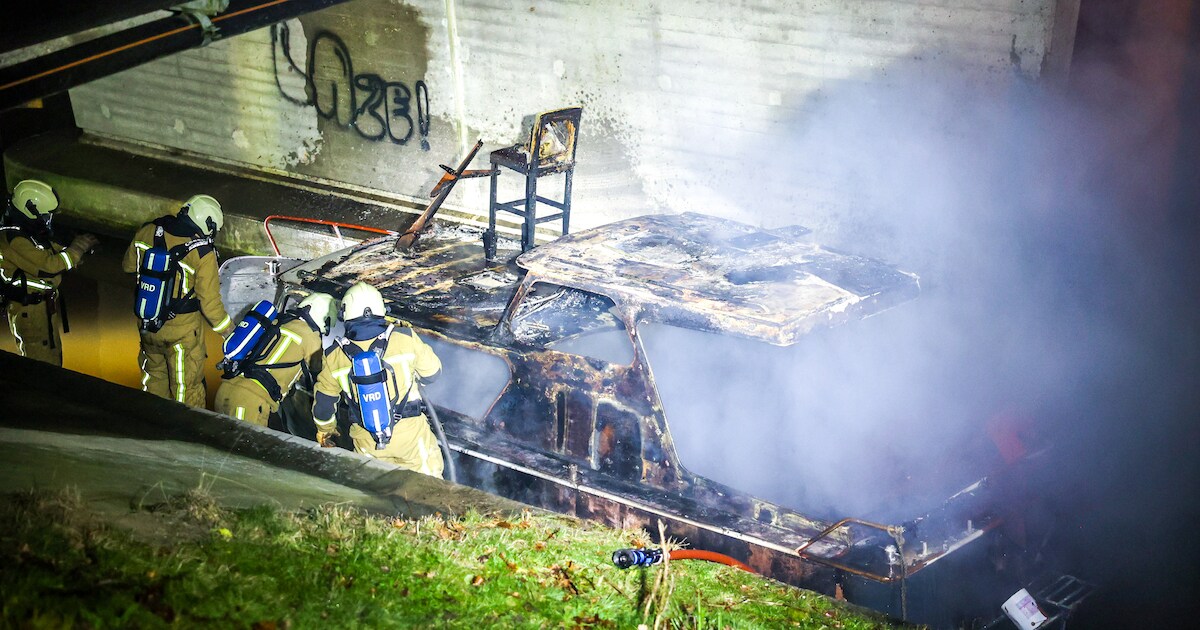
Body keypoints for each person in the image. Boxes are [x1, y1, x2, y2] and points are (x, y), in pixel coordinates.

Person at [312, 281, 444, 477]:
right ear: (382, 310)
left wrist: (326, 430)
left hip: (366, 439)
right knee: (429, 488)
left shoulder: (334, 355)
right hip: (410, 435)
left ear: (344, 315)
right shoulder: (405, 337)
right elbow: (433, 373)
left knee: (374, 489)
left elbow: (323, 405)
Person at [122, 194, 232, 407]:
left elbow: (127, 266)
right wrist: (229, 332)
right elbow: (210, 305)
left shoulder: (147, 230)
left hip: (148, 325)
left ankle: (150, 428)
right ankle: (183, 435)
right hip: (182, 335)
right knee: (186, 391)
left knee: (153, 381)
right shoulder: (202, 253)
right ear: (209, 224)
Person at [0, 179, 99, 365]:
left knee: (51, 355)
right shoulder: (14, 240)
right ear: (31, 210)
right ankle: (38, 393)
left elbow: (50, 249)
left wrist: (73, 250)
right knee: (40, 360)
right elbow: (49, 266)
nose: (47, 220)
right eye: (45, 216)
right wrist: (76, 249)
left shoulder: (25, 231)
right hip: (29, 310)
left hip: (41, 306)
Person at [214, 292, 334, 426]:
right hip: (250, 400)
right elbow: (322, 372)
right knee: (243, 445)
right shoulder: (310, 336)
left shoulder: (277, 321)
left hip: (226, 389)